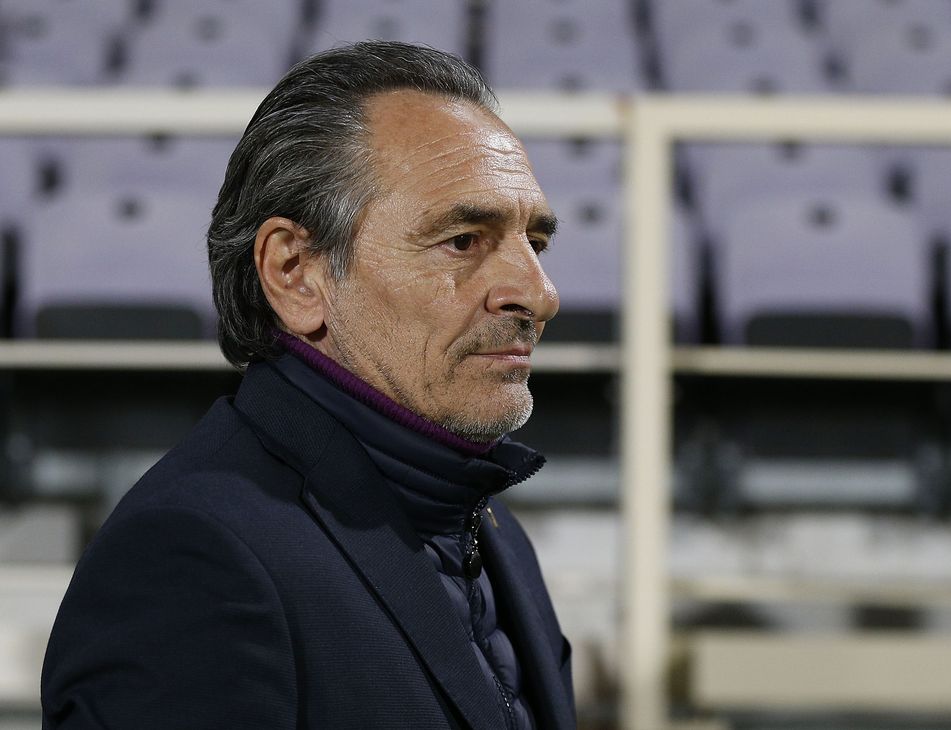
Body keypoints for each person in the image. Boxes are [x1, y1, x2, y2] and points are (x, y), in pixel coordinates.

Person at [41, 40, 574, 729]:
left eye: (536, 244)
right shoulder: (193, 559)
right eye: (464, 240)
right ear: (294, 272)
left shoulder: (495, 533)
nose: (539, 292)